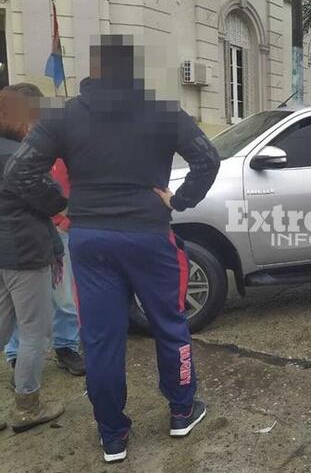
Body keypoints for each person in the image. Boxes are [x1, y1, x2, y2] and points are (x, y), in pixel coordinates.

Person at [4, 35, 220, 462]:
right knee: (170, 324)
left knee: (101, 339)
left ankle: (112, 436)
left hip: (91, 240)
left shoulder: (66, 117)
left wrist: (61, 204)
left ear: (95, 69)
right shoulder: (162, 112)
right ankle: (181, 411)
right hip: (148, 235)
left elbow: (20, 171)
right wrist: (179, 201)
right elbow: (207, 159)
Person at [4, 83, 85, 381]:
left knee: (64, 297)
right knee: (19, 305)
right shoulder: (15, 145)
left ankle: (66, 346)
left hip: (60, 230)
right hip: (25, 237)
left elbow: (75, 182)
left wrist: (66, 215)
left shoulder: (59, 143)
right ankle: (16, 358)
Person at [0, 87, 66, 432]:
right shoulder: (21, 156)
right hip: (26, 253)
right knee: (33, 333)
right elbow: (52, 200)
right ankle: (28, 406)